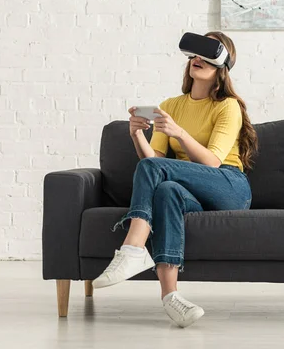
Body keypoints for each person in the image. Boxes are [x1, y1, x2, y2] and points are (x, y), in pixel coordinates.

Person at [92, 31, 258, 328]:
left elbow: (213, 161)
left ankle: (132, 249)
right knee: (165, 189)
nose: (197, 59)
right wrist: (135, 135)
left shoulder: (227, 106)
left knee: (161, 173)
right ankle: (171, 298)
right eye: (194, 54)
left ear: (221, 67)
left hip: (228, 185)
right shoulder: (170, 105)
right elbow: (152, 164)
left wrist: (179, 132)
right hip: (184, 188)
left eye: (206, 56)